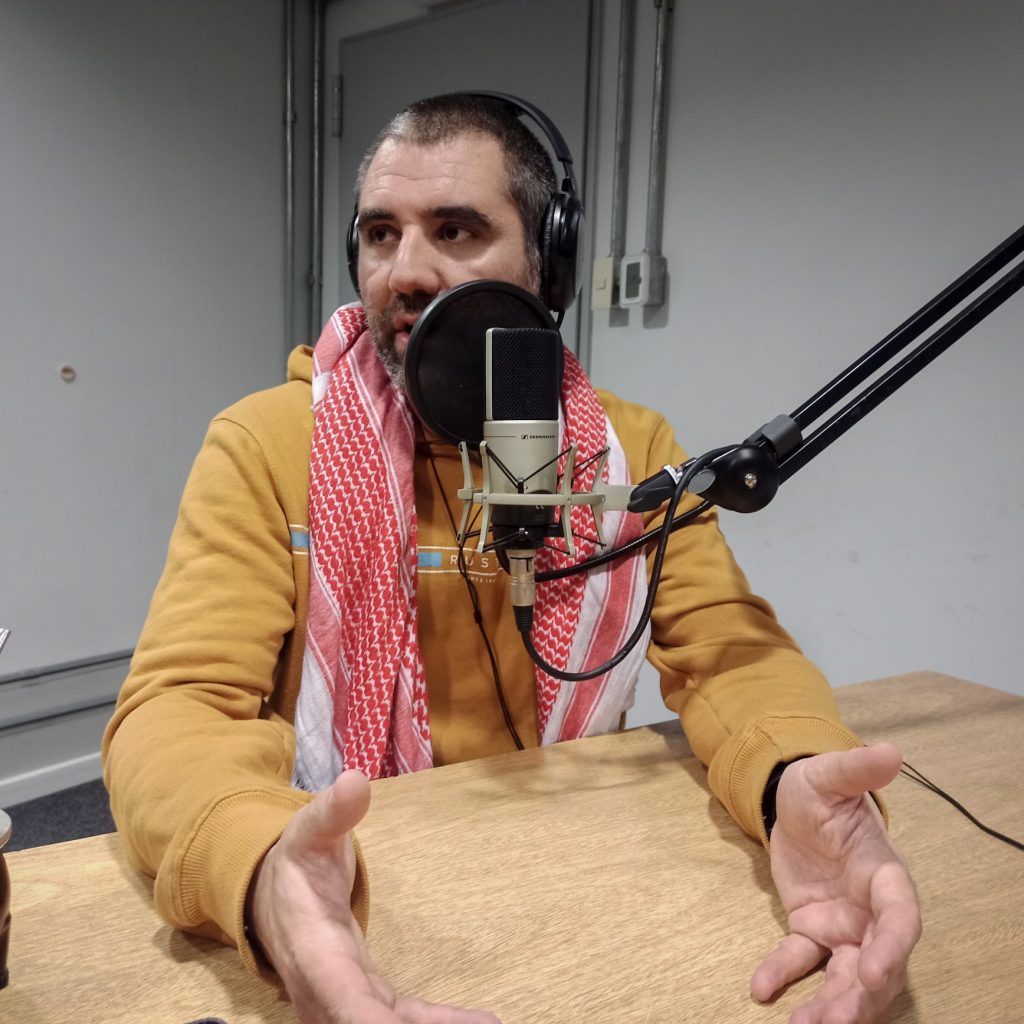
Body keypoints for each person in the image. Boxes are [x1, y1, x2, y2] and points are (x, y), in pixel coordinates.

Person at [103, 94, 921, 1024]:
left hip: (575, 889)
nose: (406, 271)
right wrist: (259, 868)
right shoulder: (266, 444)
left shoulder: (633, 453)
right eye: (380, 233)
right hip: (356, 894)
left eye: (455, 230)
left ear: (547, 263)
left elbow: (732, 657)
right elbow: (176, 708)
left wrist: (791, 776)